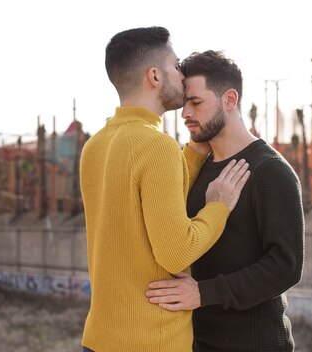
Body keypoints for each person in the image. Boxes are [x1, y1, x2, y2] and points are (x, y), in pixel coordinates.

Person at [80, 28, 250, 352]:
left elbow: (145, 199)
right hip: (151, 342)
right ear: (155, 76)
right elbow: (176, 252)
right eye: (175, 66)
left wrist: (194, 152)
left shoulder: (95, 146)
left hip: (98, 338)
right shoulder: (157, 147)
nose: (182, 75)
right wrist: (218, 207)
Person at [146, 50, 305, 352]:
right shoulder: (198, 166)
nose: (185, 114)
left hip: (256, 345)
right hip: (197, 342)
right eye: (184, 104)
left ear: (229, 100)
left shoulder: (271, 171)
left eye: (196, 102)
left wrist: (204, 293)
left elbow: (287, 266)